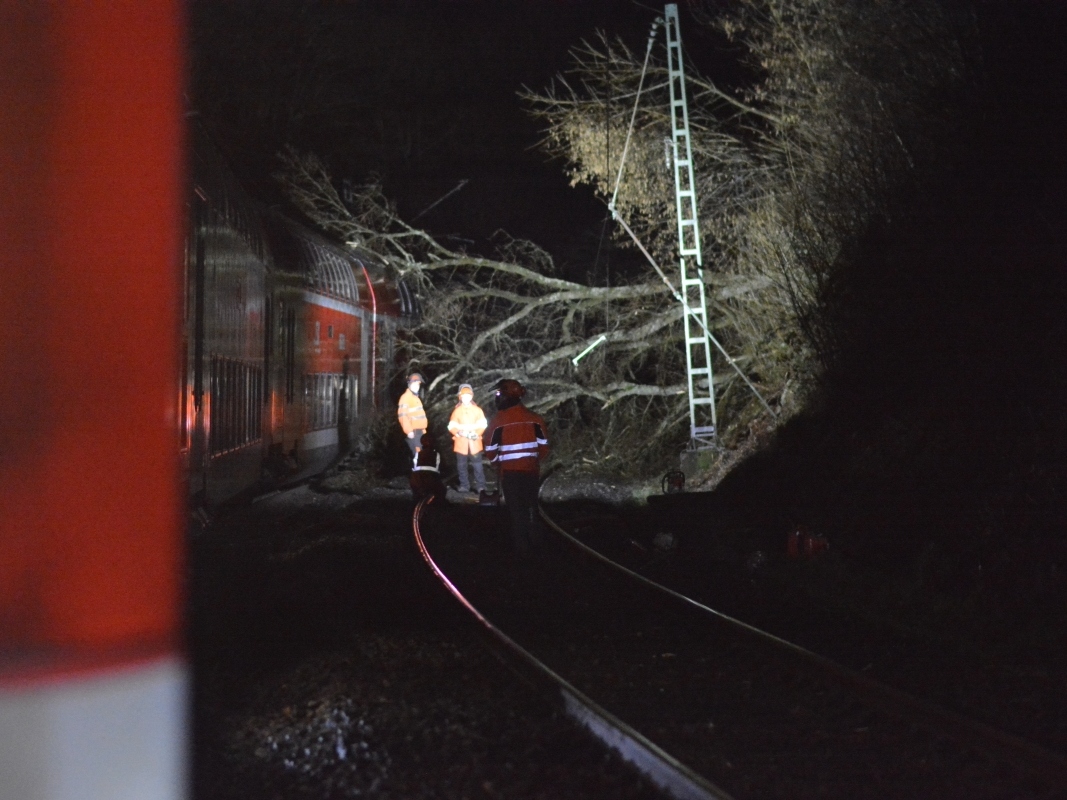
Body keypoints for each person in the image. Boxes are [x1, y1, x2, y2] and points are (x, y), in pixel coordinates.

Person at [483, 378, 549, 555]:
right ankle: (538, 545)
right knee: (531, 508)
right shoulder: (535, 419)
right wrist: (532, 461)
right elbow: (543, 447)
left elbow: (490, 449)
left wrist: (498, 462)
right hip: (531, 472)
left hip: (510, 474)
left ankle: (522, 550)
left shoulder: (498, 421)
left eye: (498, 394)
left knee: (516, 511)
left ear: (505, 396)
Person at [447, 383, 488, 495]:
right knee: (461, 465)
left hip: (474, 442)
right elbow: (451, 426)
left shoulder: (477, 410)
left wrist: (477, 433)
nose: (466, 398)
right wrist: (458, 432)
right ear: (460, 397)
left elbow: (483, 424)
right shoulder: (457, 411)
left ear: (471, 396)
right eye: (464, 396)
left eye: (468, 396)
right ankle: (464, 486)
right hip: (461, 443)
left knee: (477, 465)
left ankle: (481, 486)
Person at [397, 372, 427, 462]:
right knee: (418, 456)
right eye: (415, 384)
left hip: (420, 432)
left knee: (422, 456)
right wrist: (409, 431)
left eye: (418, 384)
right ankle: (418, 474)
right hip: (414, 432)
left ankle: (422, 474)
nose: (417, 386)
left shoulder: (415, 398)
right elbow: (402, 415)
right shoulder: (405, 398)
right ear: (409, 384)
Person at [410, 433, 447, 504]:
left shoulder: (418, 454)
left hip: (417, 479)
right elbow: (441, 468)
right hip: (431, 478)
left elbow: (413, 467)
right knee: (442, 491)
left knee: (416, 495)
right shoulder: (437, 454)